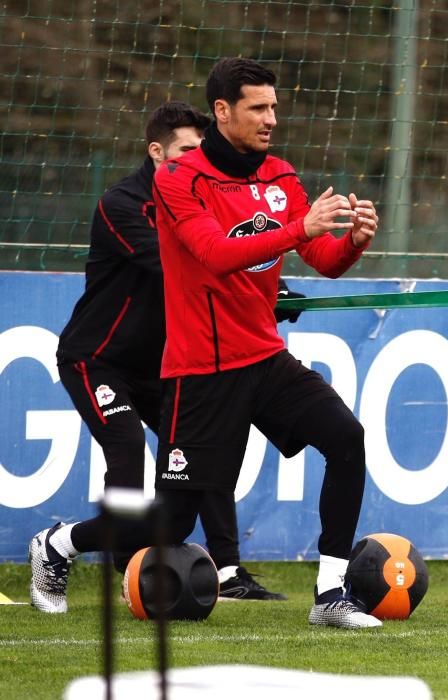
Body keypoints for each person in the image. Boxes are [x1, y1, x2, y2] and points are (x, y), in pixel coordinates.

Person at [30, 58, 382, 629]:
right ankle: (60, 544)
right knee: (169, 524)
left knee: (346, 438)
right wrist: (299, 229)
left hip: (265, 359)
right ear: (223, 111)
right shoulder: (178, 180)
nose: (272, 118)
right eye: (258, 107)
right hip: (200, 372)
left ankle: (331, 594)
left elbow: (324, 262)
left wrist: (353, 243)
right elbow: (216, 256)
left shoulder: (282, 176)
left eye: (273, 105)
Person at [54, 100, 288, 601]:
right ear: (156, 152)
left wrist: (276, 289)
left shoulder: (200, 199)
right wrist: (255, 283)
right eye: (185, 151)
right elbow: (190, 262)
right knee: (125, 450)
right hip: (96, 360)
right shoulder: (122, 204)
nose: (195, 160)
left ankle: (228, 572)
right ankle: (125, 571)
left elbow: (232, 252)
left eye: (202, 151)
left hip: (161, 366)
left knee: (208, 452)